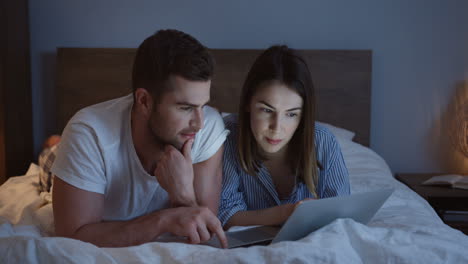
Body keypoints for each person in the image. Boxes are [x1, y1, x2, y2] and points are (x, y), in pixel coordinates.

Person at [51, 29, 229, 248]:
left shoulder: (209, 127)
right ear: (144, 101)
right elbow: (70, 239)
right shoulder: (89, 133)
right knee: (50, 157)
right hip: (70, 151)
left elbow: (205, 230)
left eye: (203, 106)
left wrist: (183, 196)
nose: (198, 123)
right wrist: (164, 220)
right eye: (185, 108)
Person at [218, 45, 350, 229]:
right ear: (248, 102)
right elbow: (225, 214)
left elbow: (341, 214)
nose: (276, 127)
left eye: (291, 114)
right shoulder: (227, 136)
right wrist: (288, 213)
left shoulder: (323, 141)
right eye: (266, 110)